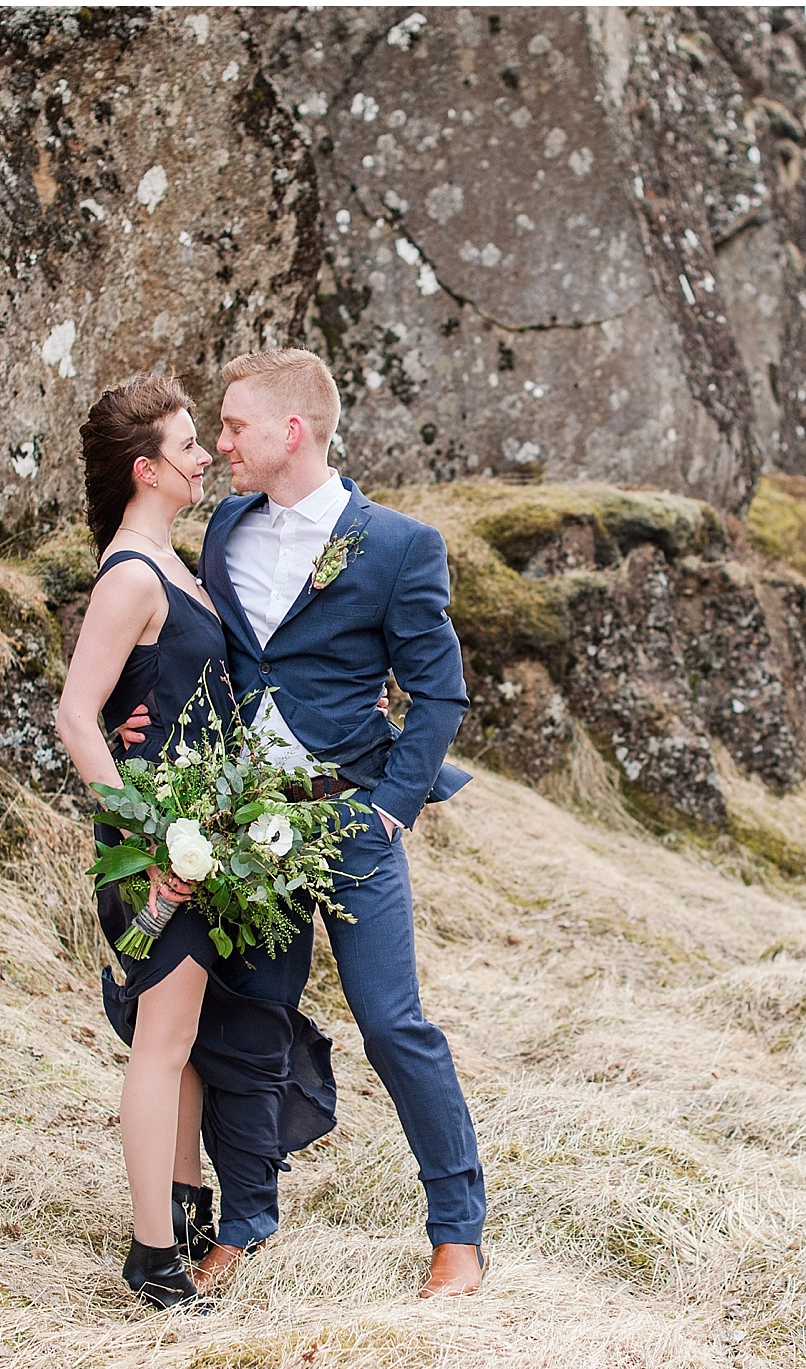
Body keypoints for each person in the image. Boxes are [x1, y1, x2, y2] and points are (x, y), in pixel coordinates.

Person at [116, 348, 486, 1298]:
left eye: (234, 426)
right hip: (246, 834)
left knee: (393, 1023)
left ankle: (458, 1234)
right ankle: (243, 1224)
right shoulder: (228, 526)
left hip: (353, 824)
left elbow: (438, 694)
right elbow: (205, 649)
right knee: (249, 1027)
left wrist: (392, 811)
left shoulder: (401, 547)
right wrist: (143, 716)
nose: (220, 443)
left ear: (293, 431)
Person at [53, 373, 336, 1309]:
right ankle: (150, 1256)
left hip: (197, 837)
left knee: (184, 1040)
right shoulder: (131, 575)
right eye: (187, 445)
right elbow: (76, 717)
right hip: (156, 854)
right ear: (147, 470)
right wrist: (144, 831)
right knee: (161, 1045)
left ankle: (181, 1206)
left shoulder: (179, 561)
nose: (205, 454)